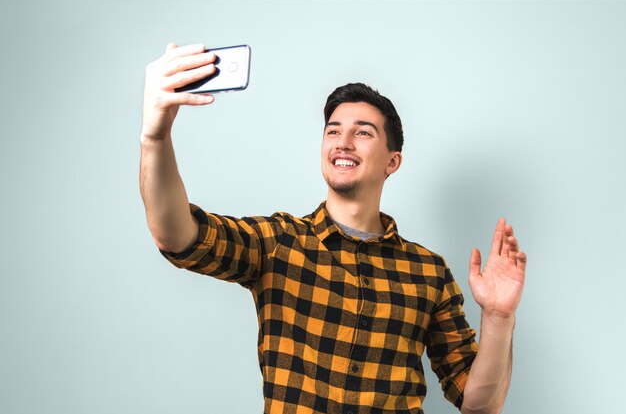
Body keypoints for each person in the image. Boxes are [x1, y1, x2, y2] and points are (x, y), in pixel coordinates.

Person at [140, 43, 527, 414]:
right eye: (332, 130)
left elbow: (480, 404)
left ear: (392, 162)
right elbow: (178, 235)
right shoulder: (278, 243)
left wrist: (498, 316)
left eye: (362, 132)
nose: (342, 142)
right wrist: (155, 137)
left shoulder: (429, 273)